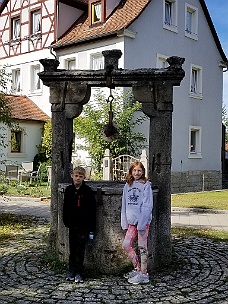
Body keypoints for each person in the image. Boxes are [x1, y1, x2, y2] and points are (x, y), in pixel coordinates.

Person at [121, 161, 153, 285]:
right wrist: (125, 221)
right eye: (134, 170)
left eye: (139, 170)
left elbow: (147, 205)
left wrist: (142, 222)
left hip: (142, 223)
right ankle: (137, 269)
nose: (136, 173)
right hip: (131, 222)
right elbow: (124, 204)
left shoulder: (146, 185)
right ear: (131, 171)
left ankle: (144, 274)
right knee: (126, 245)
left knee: (142, 247)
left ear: (143, 171)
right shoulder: (127, 185)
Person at [63, 166, 96, 283]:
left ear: (84, 178)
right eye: (76, 176)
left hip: (83, 226)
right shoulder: (68, 190)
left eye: (80, 176)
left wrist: (91, 227)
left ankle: (79, 272)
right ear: (72, 176)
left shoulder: (87, 191)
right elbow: (65, 207)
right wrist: (66, 221)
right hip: (72, 225)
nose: (78, 178)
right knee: (72, 248)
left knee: (80, 249)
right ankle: (71, 270)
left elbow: (92, 210)